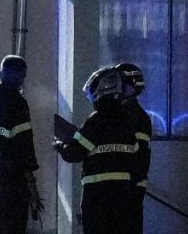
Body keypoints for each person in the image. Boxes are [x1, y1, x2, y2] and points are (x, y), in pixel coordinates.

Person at [54, 67, 140, 234]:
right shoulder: (128, 121)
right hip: (123, 194)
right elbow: (136, 159)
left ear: (98, 92)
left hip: (97, 195)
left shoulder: (96, 120)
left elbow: (74, 153)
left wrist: (60, 146)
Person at [0, 55, 41, 234]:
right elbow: (24, 144)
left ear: (0, 74)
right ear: (22, 77)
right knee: (13, 223)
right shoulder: (18, 102)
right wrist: (31, 183)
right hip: (12, 176)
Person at [115, 62, 152, 233]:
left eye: (119, 84)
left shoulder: (133, 116)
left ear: (130, 88)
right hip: (130, 185)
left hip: (130, 186)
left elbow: (140, 156)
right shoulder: (130, 114)